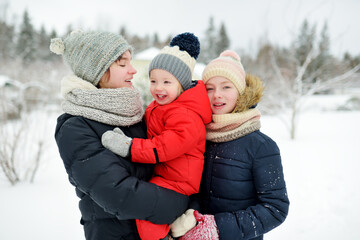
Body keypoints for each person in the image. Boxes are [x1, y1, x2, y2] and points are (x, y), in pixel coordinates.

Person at [50, 30, 190, 240]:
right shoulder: (75, 128)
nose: (133, 71)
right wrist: (182, 202)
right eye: (122, 64)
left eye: (131, 62)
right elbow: (119, 194)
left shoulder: (133, 114)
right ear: (95, 71)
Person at [101, 32, 212, 240]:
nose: (158, 88)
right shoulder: (162, 106)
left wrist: (129, 146)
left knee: (146, 212)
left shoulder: (186, 115)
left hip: (179, 182)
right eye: (153, 81)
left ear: (182, 85)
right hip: (165, 177)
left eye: (167, 82)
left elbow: (164, 147)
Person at [170, 50, 290, 240]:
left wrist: (216, 228)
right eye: (209, 88)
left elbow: (275, 208)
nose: (217, 95)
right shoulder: (199, 136)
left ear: (241, 92)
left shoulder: (261, 146)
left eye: (226, 87)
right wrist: (191, 215)